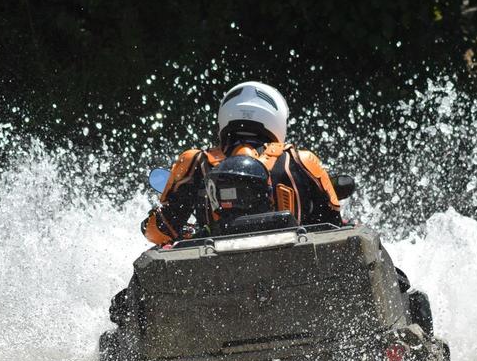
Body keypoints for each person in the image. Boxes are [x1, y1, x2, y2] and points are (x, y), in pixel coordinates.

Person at [143, 81, 344, 244]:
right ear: (277, 119)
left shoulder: (195, 162)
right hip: (295, 269)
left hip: (215, 276)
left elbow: (159, 231)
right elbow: (333, 226)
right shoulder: (302, 160)